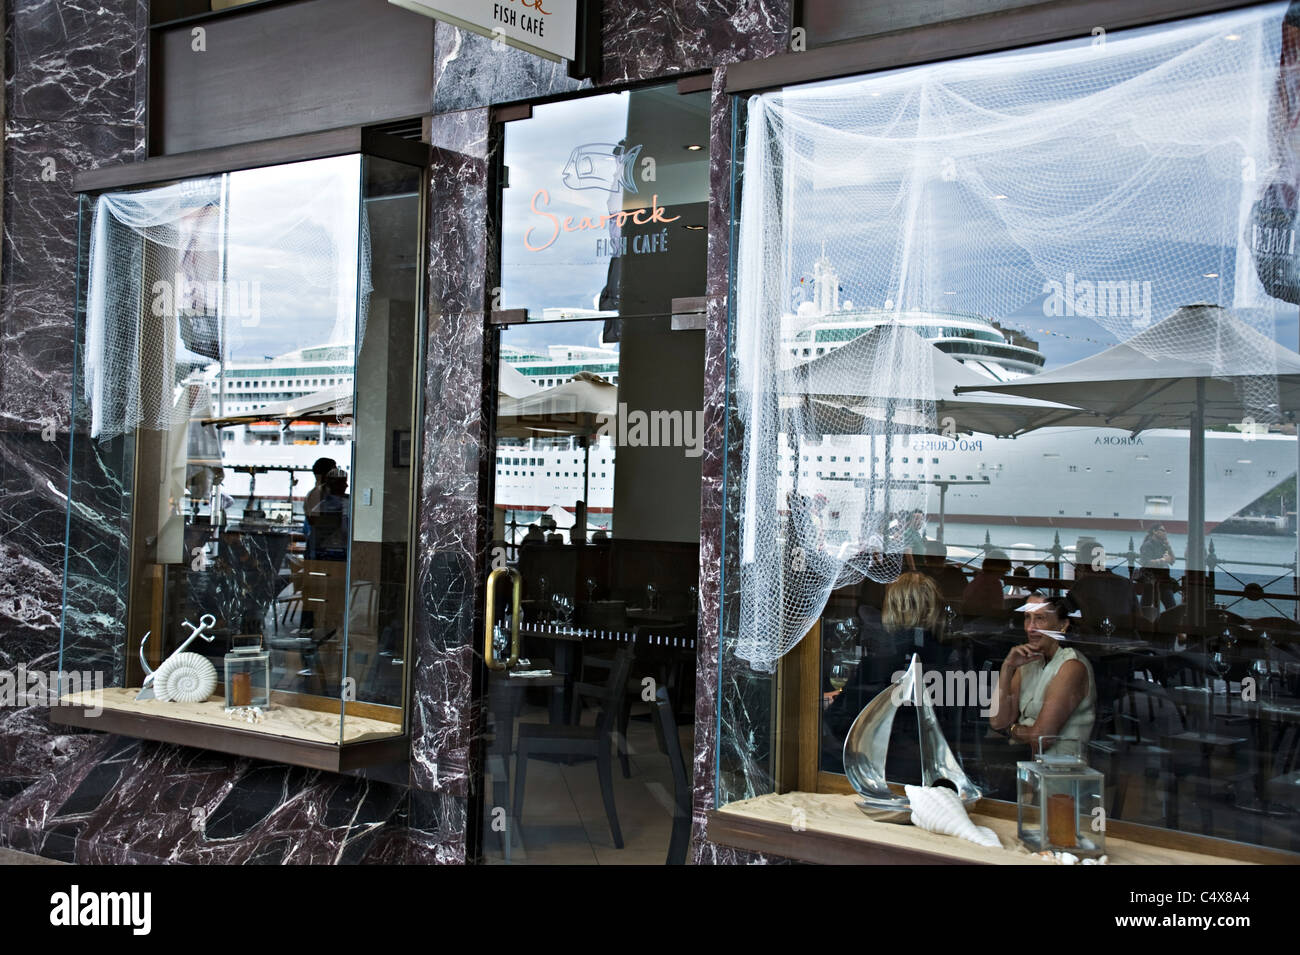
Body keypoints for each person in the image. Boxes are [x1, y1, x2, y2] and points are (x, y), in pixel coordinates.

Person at [822, 572, 948, 778]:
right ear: (933, 608)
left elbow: (843, 719)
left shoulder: (884, 656)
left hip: (884, 765)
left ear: (894, 607)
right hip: (930, 765)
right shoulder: (945, 653)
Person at [989, 594, 1096, 754]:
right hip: (1025, 762)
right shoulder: (1028, 661)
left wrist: (1011, 730)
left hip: (1059, 770)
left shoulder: (1072, 666)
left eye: (1040, 618)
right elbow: (998, 721)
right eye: (1027, 617)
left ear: (1062, 625)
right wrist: (1008, 667)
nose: (1030, 628)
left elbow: (1041, 738)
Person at [1068, 538, 1140, 634]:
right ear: (1103, 560)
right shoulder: (1125, 582)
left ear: (1082, 562)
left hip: (1095, 640)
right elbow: (1139, 617)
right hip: (1125, 638)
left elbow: (1064, 609)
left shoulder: (1084, 584)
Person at [1138, 523, 1178, 612]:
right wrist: (1163, 560)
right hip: (1151, 581)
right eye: (1162, 530)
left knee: (1172, 608)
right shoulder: (1147, 545)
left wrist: (1169, 547)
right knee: (1145, 608)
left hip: (1163, 580)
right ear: (1154, 531)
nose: (1165, 533)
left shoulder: (1163, 545)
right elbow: (1145, 563)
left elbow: (1172, 561)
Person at [962, 549, 1012, 619]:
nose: (1003, 575)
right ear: (1000, 569)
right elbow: (997, 611)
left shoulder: (977, 581)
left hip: (970, 620)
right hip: (985, 622)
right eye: (1004, 571)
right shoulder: (994, 584)